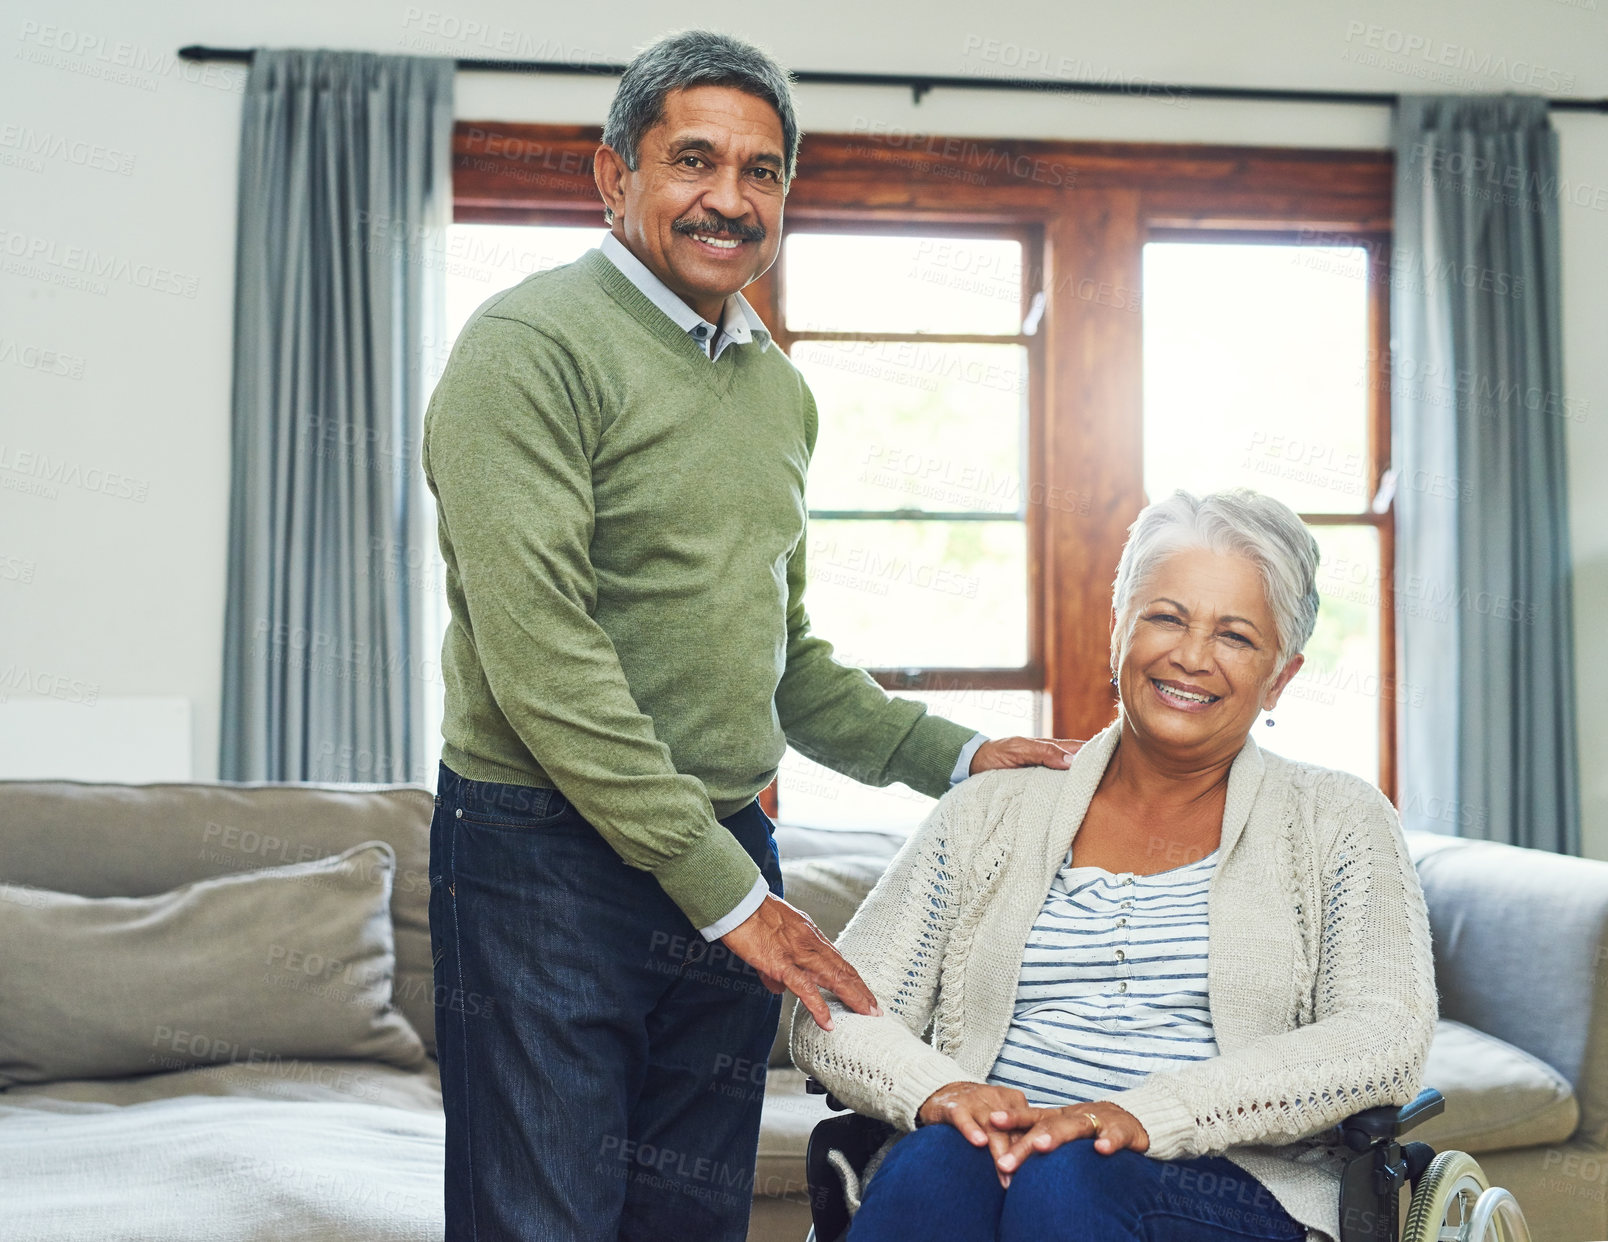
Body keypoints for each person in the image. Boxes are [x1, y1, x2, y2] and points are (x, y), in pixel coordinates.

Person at [420, 29, 1073, 1242]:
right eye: (694, 161)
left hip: (720, 850)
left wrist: (959, 755)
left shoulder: (774, 385)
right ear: (612, 177)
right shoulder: (529, 350)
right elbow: (544, 663)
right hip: (544, 858)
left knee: (689, 1220)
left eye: (763, 171)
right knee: (543, 1222)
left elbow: (785, 656)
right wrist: (735, 901)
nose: (730, 198)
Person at [792, 488, 1438, 1242]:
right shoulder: (989, 810)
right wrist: (944, 1093)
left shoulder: (1339, 819)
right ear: (1117, 628)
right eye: (1166, 617)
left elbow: (1384, 1037)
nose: (1191, 657)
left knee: (1066, 1177)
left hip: (1229, 1186)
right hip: (986, 1158)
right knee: (939, 1163)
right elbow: (833, 1009)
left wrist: (1146, 1116)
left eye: (1234, 636)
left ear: (1280, 677)